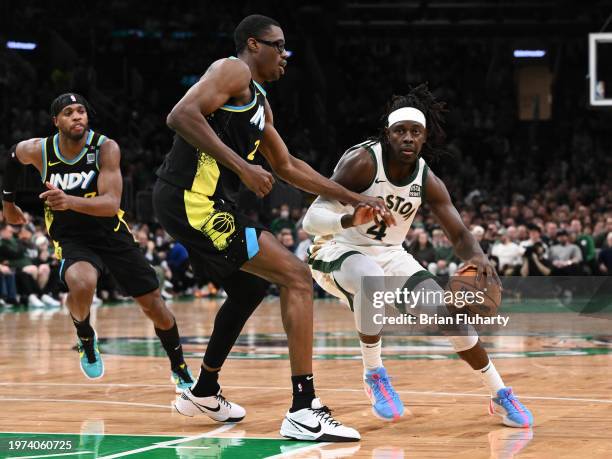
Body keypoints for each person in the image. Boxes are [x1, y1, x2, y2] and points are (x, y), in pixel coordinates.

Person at [153, 15, 388, 441]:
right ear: (252, 45)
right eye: (278, 46)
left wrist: (356, 198)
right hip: (191, 201)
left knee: (249, 288)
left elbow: (287, 166)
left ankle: (204, 391)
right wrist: (243, 167)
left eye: (286, 48)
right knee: (296, 277)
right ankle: (303, 409)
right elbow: (181, 114)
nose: (285, 55)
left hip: (204, 203)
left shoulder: (259, 100)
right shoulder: (233, 69)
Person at [302, 84, 533, 428]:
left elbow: (458, 233)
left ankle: (499, 394)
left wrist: (479, 257)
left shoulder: (427, 179)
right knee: (369, 277)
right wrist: (351, 217)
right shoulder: (362, 162)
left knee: (449, 316)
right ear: (387, 135)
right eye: (400, 132)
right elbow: (310, 220)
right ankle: (374, 374)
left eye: (415, 132)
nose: (408, 138)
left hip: (391, 254)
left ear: (425, 138)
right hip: (335, 248)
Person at [2, 93, 193, 391]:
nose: (77, 116)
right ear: (56, 121)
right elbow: (13, 156)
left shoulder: (105, 148)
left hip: (110, 233)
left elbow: (110, 203)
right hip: (71, 237)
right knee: (81, 282)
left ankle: (179, 366)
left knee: (154, 305)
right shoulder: (39, 150)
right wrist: (8, 204)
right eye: (69, 112)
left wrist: (68, 200)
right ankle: (86, 338)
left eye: (81, 111)